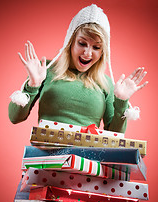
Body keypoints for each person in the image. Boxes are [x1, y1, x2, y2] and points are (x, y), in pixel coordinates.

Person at [8, 4, 148, 134]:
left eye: (96, 47)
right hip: (48, 157)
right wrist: (32, 85)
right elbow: (15, 117)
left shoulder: (106, 84)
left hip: (87, 159)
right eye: (82, 43)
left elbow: (114, 135)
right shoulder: (45, 71)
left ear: (103, 52)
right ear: (70, 42)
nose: (87, 53)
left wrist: (121, 102)